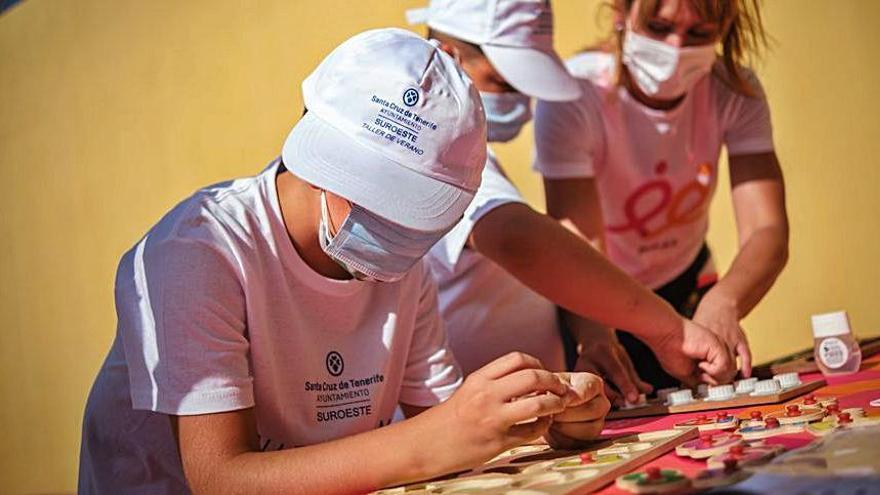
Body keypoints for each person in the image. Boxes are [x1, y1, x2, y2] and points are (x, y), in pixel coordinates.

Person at [78, 28, 610, 494]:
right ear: (316, 146)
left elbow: (451, 429)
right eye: (376, 194)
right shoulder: (199, 253)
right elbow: (222, 480)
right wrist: (442, 438)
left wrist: (542, 416)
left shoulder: (402, 264)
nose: (395, 229)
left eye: (414, 208)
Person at [407, 0, 735, 407]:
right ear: (447, 57)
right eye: (503, 81)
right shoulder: (429, 156)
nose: (517, 102)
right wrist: (668, 330)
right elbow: (517, 239)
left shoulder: (469, 157)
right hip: (463, 423)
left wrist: (593, 334)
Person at [534, 0, 788, 390]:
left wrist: (725, 303)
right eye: (658, 27)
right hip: (597, 297)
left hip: (686, 284)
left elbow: (767, 229)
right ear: (621, 13)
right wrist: (596, 333)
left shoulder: (734, 90)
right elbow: (576, 242)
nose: (675, 46)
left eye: (699, 34)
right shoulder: (574, 95)